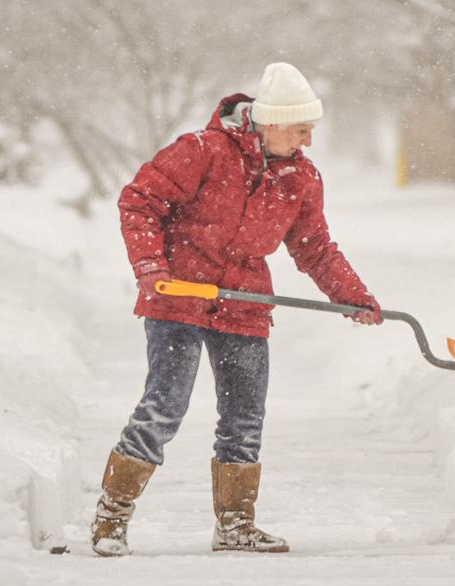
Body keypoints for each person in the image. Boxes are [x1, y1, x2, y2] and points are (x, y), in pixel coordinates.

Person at [90, 61, 381, 557]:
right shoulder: (201, 152)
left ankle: (235, 526)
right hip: (179, 296)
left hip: (244, 303)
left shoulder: (302, 178)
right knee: (165, 408)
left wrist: (352, 295)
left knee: (244, 419)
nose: (308, 140)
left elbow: (313, 247)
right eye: (301, 129)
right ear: (271, 123)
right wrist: (150, 267)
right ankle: (110, 518)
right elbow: (138, 201)